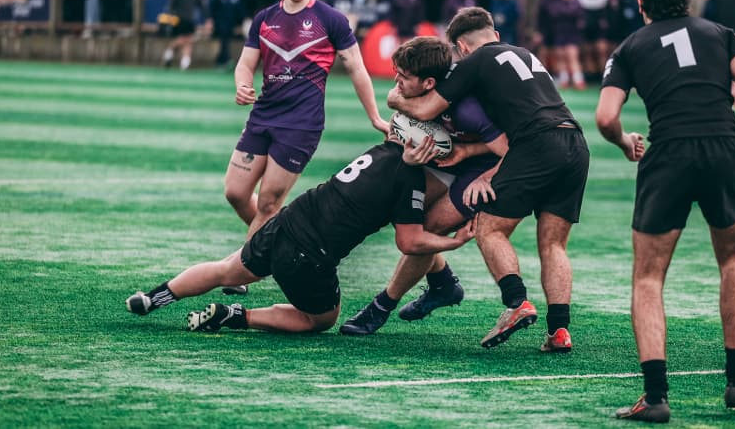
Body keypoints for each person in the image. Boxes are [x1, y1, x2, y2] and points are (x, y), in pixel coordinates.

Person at [594, 0, 735, 423]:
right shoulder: (722, 33)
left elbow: (605, 117)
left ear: (641, 4)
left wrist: (622, 141)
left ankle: (655, 398)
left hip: (668, 152)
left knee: (648, 277)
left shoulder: (630, 47)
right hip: (722, 148)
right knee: (734, 261)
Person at [125, 127, 475, 333]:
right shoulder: (411, 179)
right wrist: (453, 241)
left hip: (290, 219)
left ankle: (154, 297)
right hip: (310, 255)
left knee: (226, 269)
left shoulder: (382, 148)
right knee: (321, 319)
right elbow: (410, 241)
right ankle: (237, 316)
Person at [388, 7, 589, 353]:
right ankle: (559, 331)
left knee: (490, 229)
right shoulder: (524, 53)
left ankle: (516, 303)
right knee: (553, 245)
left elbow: (423, 111)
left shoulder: (474, 62)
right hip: (574, 142)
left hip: (535, 144)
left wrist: (393, 98)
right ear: (494, 35)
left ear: (462, 48)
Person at [222, 0, 389, 293]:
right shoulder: (265, 18)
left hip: (301, 124)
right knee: (236, 193)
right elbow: (245, 62)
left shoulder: (332, 20)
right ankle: (270, 240)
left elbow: (357, 68)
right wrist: (242, 84)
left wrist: (375, 116)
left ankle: (243, 269)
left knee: (269, 202)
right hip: (262, 116)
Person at [339, 37, 509, 335]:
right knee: (401, 208)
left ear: (430, 83)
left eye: (403, 77)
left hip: (482, 164)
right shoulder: (421, 85)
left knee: (427, 230)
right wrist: (400, 126)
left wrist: (466, 152)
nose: (396, 82)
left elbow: (507, 147)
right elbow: (396, 100)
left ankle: (381, 306)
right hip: (447, 156)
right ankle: (443, 284)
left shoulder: (468, 107)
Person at [161, 0, 201, 71]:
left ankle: (182, 61)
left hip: (190, 18)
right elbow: (172, 3)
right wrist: (170, 15)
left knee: (188, 40)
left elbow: (200, 4)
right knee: (184, 39)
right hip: (180, 17)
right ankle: (173, 55)